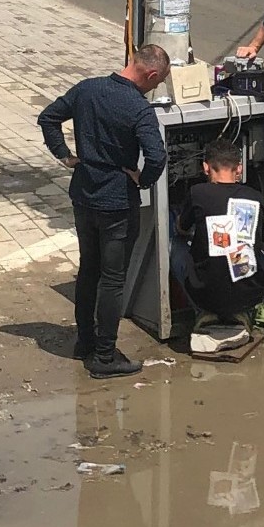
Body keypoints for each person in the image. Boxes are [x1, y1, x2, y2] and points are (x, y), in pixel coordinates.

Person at [38, 44, 171, 378]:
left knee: (89, 270)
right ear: (151, 74)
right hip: (116, 204)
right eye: (158, 82)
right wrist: (143, 181)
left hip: (83, 195)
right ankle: (105, 356)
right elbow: (157, 156)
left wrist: (66, 156)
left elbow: (48, 117)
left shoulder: (88, 88)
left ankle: (84, 340)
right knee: (112, 280)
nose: (155, 88)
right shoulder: (138, 109)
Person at [173, 140, 264, 327]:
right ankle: (243, 310)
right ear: (240, 168)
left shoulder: (197, 193)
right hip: (249, 293)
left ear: (205, 167)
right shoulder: (257, 198)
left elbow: (181, 229)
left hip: (206, 294)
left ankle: (202, 311)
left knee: (174, 243)